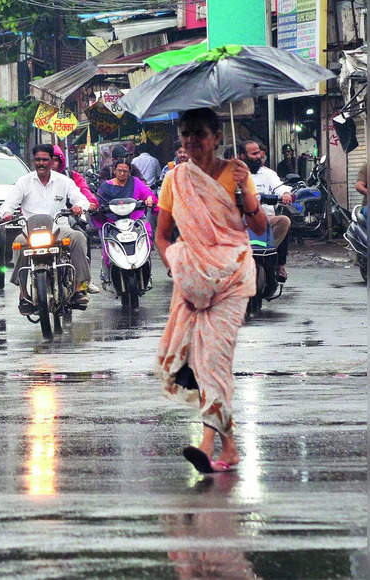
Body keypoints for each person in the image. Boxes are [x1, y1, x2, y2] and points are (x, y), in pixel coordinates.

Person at [154, 108, 267, 475]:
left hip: (233, 278)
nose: (191, 141)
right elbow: (162, 234)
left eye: (199, 133)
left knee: (213, 359)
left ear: (217, 136)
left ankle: (206, 444)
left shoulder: (236, 173)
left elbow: (261, 226)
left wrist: (243, 193)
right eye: (186, 133)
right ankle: (230, 447)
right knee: (202, 361)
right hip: (193, 282)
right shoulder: (175, 179)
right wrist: (179, 266)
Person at [0, 144, 94, 314]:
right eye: (38, 160)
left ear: (52, 161)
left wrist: (79, 207)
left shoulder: (64, 181)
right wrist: (6, 213)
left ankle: (80, 287)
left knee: (78, 237)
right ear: (33, 161)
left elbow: (80, 199)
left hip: (59, 229)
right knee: (18, 244)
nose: (41, 163)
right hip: (30, 232)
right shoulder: (24, 182)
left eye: (45, 160)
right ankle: (23, 294)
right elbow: (8, 204)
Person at [238, 139, 293, 280]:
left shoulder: (268, 173)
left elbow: (278, 187)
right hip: (240, 220)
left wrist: (285, 194)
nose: (258, 157)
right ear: (242, 156)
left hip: (265, 217)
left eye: (259, 153)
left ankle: (274, 259)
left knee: (284, 221)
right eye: (254, 154)